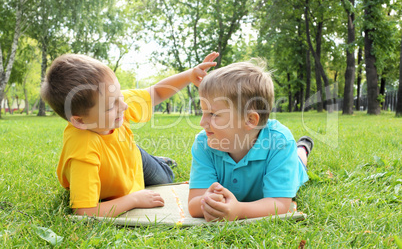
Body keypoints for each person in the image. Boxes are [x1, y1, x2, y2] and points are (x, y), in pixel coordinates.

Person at [41, 52, 219, 217]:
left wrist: (188, 75)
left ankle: (158, 160)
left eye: (120, 96)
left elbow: (155, 92)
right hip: (114, 165)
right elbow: (85, 211)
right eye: (111, 106)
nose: (124, 106)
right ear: (80, 121)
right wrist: (133, 200)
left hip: (130, 155)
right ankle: (156, 160)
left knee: (165, 177)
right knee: (161, 181)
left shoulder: (115, 103)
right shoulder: (82, 151)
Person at [188, 60, 314, 222]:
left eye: (213, 114)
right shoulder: (203, 144)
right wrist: (209, 202)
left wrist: (239, 210)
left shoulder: (279, 142)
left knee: (298, 161)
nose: (202, 122)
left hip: (290, 163)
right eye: (203, 112)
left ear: (250, 120)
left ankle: (303, 148)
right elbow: (194, 204)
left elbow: (280, 204)